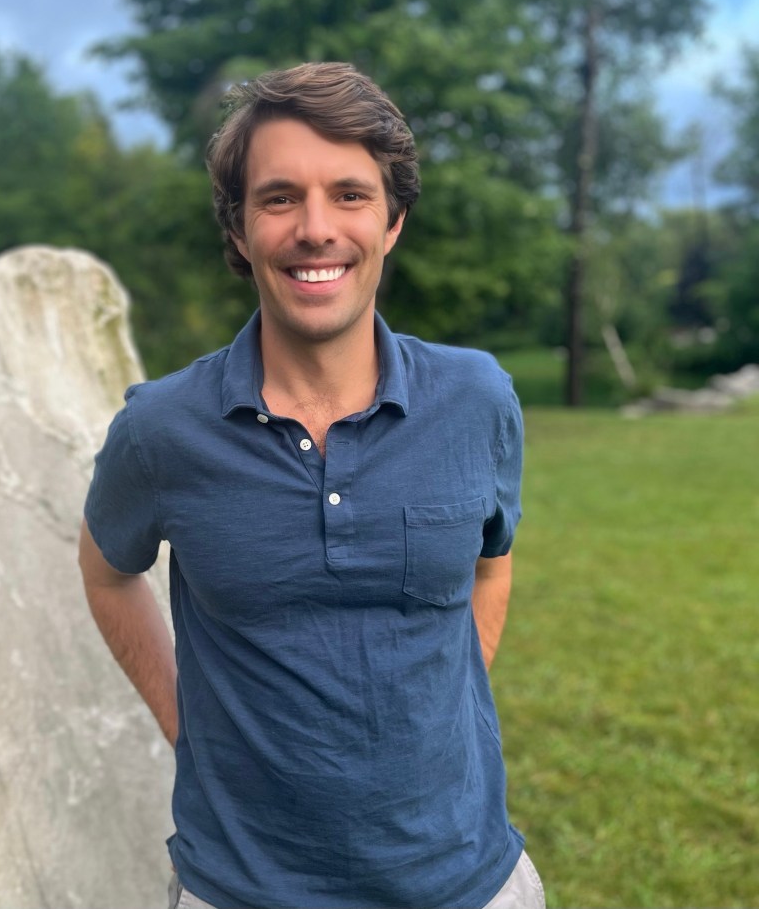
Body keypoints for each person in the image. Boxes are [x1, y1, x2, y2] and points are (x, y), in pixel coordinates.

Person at [79, 62, 542, 909]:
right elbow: (108, 575)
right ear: (240, 227)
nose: (316, 228)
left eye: (350, 195)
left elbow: (492, 562)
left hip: (469, 882)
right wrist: (189, 726)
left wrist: (438, 711)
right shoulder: (161, 430)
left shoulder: (478, 400)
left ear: (392, 221)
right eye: (280, 197)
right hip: (240, 890)